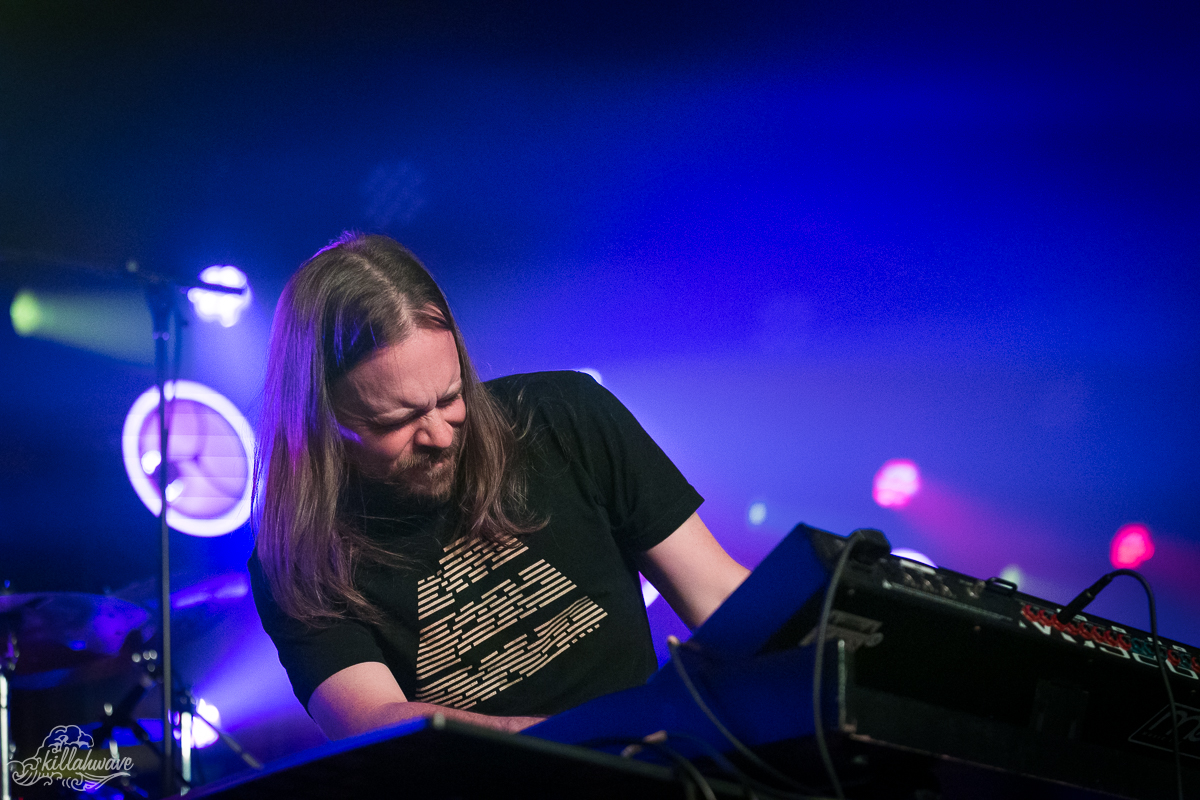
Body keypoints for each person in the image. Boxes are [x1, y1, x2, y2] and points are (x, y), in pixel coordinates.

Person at [249, 232, 749, 740]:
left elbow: (714, 592)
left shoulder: (564, 414)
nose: (440, 436)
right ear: (320, 418)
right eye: (396, 421)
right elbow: (374, 727)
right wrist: (591, 743)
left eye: (449, 397)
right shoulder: (298, 558)